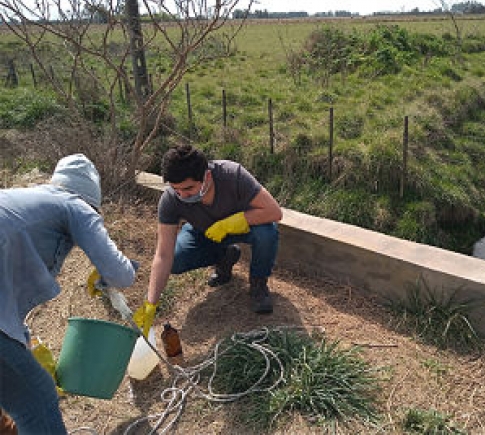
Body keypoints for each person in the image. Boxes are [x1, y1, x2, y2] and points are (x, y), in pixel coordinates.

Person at [0, 154, 139, 435]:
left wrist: (21, 340)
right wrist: (105, 273)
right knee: (36, 400)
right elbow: (121, 274)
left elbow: (9, 288)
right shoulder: (74, 205)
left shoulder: (22, 203)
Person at [133, 145, 282, 336]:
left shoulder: (232, 175)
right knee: (176, 259)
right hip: (203, 233)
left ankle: (258, 283)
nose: (183, 196)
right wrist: (150, 303)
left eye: (188, 189)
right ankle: (224, 257)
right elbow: (163, 254)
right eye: (176, 189)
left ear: (207, 177)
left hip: (241, 227)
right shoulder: (170, 199)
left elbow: (274, 211)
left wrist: (231, 224)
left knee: (266, 231)